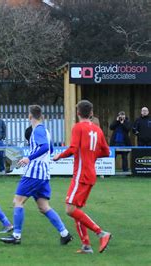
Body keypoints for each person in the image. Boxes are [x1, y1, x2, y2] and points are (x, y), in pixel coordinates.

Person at [0, 105, 72, 245]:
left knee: (18, 201)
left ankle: (16, 236)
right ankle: (65, 234)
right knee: (44, 207)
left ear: (30, 116)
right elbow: (50, 149)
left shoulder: (38, 130)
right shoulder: (45, 130)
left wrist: (29, 158)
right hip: (44, 173)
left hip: (34, 172)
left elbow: (45, 147)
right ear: (42, 116)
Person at [53, 100, 112, 254]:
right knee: (76, 209)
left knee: (69, 209)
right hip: (91, 174)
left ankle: (101, 233)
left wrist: (59, 156)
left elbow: (73, 148)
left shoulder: (78, 127)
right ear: (91, 113)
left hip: (81, 174)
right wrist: (92, 155)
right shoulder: (98, 130)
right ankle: (86, 245)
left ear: (78, 113)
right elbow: (106, 152)